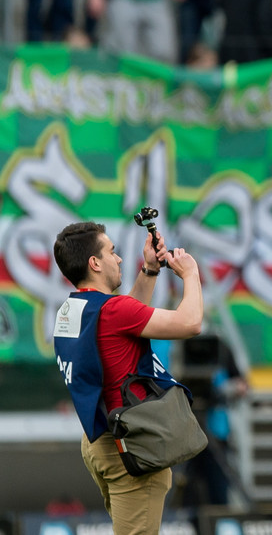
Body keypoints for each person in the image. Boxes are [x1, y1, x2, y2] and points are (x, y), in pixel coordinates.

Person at [51, 222, 204, 533]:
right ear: (95, 263)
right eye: (112, 252)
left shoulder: (74, 308)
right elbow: (190, 323)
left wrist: (149, 269)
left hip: (99, 442)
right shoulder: (114, 311)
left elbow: (125, 320)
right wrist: (190, 274)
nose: (119, 259)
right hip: (133, 446)